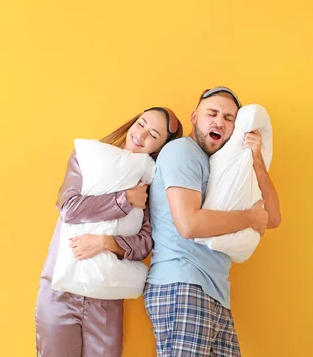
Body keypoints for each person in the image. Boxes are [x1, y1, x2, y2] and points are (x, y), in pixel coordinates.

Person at [144, 87, 282, 356]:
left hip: (214, 291)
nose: (220, 121)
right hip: (183, 284)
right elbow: (189, 225)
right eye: (212, 113)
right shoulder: (182, 152)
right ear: (195, 117)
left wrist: (257, 162)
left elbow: (273, 218)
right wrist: (250, 218)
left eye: (229, 118)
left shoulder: (222, 167)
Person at [36, 107, 183, 357]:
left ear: (158, 149)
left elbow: (145, 243)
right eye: (141, 123)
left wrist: (106, 242)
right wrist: (124, 199)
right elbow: (69, 208)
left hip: (106, 296)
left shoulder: (149, 185)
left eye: (153, 134)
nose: (141, 134)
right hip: (59, 290)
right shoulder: (87, 158)